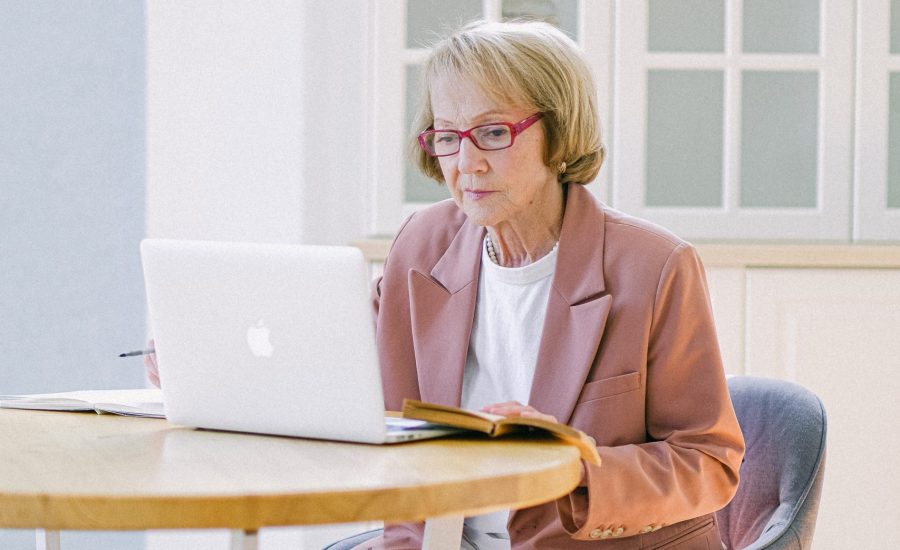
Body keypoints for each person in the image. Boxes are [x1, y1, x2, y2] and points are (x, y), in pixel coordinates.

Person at [147, 19, 745, 550]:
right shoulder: (423, 246)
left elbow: (709, 463)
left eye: (492, 133)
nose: (467, 163)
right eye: (447, 135)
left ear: (559, 136)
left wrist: (576, 466)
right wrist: (211, 364)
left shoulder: (655, 266)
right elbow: (345, 372)